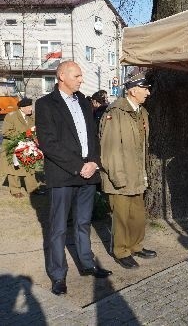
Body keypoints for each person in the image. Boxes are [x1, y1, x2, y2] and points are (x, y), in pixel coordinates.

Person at [35, 61, 112, 296]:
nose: (81, 79)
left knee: (83, 222)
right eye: (77, 75)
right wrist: (79, 167)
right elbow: (49, 144)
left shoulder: (84, 102)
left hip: (88, 173)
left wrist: (94, 163)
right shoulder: (46, 104)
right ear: (61, 76)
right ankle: (58, 275)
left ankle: (87, 263)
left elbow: (93, 137)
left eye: (81, 76)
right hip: (63, 175)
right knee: (58, 228)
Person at [99, 72, 157, 269]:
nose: (148, 92)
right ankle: (121, 251)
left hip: (137, 174)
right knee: (122, 216)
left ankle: (135, 245)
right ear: (133, 90)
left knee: (137, 215)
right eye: (145, 88)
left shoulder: (141, 112)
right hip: (121, 176)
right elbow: (109, 150)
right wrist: (118, 178)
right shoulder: (115, 112)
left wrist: (144, 173)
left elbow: (142, 147)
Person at [0, 98, 43, 197]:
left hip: (28, 146)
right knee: (14, 169)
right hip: (13, 146)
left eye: (30, 106)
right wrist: (24, 135)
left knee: (30, 167)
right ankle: (15, 191)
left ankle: (32, 189)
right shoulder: (11, 116)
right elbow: (6, 132)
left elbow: (34, 129)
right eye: (28, 107)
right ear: (22, 108)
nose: (31, 109)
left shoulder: (31, 117)